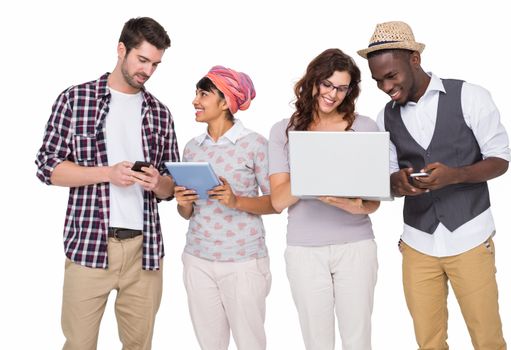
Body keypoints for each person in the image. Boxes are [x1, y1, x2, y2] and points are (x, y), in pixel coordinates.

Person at [358, 21, 510, 350]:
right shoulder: (385, 117)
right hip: (417, 244)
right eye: (378, 81)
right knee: (428, 342)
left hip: (470, 237)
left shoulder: (470, 95)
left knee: (487, 340)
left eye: (391, 76)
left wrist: (455, 175)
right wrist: (396, 183)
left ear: (414, 59)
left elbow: (500, 159)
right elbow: (384, 180)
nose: (386, 87)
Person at [35, 17, 178, 350]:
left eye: (155, 64)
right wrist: (106, 173)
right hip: (89, 246)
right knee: (79, 344)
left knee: (139, 346)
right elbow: (48, 167)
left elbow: (173, 188)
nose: (148, 70)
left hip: (145, 252)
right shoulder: (76, 99)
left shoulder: (160, 113)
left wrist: (158, 183)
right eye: (142, 60)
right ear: (121, 50)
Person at [269, 48, 380, 350]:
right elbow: (278, 201)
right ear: (314, 81)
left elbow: (373, 201)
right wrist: (315, 171)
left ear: (350, 91)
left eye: (342, 88)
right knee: (316, 342)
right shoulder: (284, 131)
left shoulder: (365, 128)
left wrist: (354, 205)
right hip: (305, 249)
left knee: (358, 340)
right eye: (327, 84)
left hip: (355, 246)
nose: (333, 94)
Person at [175, 66, 275, 350]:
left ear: (225, 102)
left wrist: (236, 201)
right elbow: (188, 213)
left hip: (244, 262)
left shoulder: (256, 145)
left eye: (203, 94)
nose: (195, 101)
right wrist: (183, 204)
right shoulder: (191, 148)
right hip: (197, 259)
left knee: (250, 344)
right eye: (196, 93)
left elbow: (275, 203)